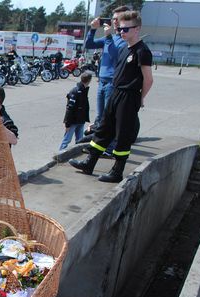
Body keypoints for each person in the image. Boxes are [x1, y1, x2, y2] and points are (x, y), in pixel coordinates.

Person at [69, 10, 154, 183]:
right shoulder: (124, 48)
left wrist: (140, 98)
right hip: (115, 92)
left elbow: (148, 79)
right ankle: (89, 163)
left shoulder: (142, 51)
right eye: (120, 29)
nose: (121, 32)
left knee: (122, 134)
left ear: (137, 29)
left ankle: (117, 171)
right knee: (104, 129)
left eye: (125, 29)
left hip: (128, 96)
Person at [84, 5, 130, 154]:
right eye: (114, 19)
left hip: (112, 82)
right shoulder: (109, 37)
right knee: (100, 117)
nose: (115, 22)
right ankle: (98, 145)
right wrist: (92, 29)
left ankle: (109, 147)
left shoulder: (123, 40)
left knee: (109, 116)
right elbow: (88, 45)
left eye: (118, 19)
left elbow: (115, 55)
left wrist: (109, 36)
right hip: (102, 81)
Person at [59, 72, 92, 151]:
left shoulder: (84, 90)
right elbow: (69, 108)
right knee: (67, 139)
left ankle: (78, 153)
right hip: (73, 121)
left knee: (80, 140)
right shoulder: (75, 91)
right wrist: (67, 124)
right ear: (89, 80)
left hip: (81, 120)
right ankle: (59, 155)